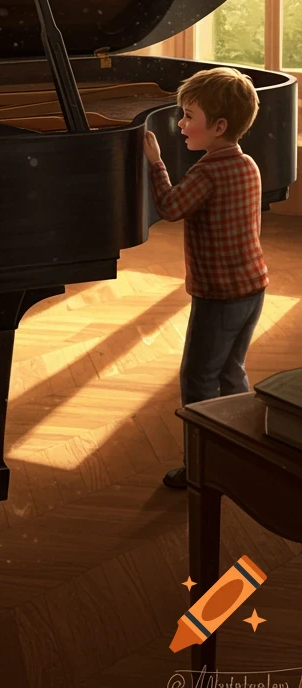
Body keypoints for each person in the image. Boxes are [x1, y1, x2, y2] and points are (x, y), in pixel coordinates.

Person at [143, 66, 267, 490]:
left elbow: (171, 208)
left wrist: (156, 164)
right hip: (253, 286)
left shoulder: (207, 172)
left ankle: (203, 467)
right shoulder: (247, 164)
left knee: (197, 378)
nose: (180, 124)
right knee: (232, 372)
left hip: (219, 294)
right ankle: (244, 450)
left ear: (218, 126)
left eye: (188, 115)